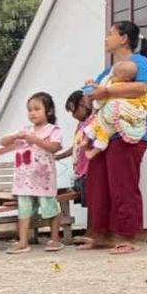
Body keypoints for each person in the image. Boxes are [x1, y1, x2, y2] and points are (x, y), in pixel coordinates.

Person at [85, 21, 147, 255]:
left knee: (122, 184)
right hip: (105, 130)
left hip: (129, 131)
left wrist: (106, 91)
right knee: (97, 183)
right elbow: (93, 97)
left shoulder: (140, 62)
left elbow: (143, 87)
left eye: (110, 34)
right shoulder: (107, 72)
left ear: (123, 38)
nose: (106, 38)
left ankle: (127, 235)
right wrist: (90, 94)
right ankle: (101, 234)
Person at [0, 92, 63, 254]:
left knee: (49, 208)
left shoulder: (53, 130)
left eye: (37, 109)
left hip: (43, 178)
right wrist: (16, 135)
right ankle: (22, 241)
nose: (32, 113)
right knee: (24, 210)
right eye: (29, 110)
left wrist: (35, 140)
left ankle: (55, 239)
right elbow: (3, 142)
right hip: (24, 180)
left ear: (48, 111)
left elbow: (54, 148)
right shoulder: (24, 130)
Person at [83, 59, 147, 157]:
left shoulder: (113, 87)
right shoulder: (133, 89)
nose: (112, 76)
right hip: (123, 119)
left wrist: (97, 97)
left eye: (115, 75)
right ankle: (92, 150)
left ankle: (87, 142)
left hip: (112, 116)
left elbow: (100, 100)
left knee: (98, 127)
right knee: (103, 132)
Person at [56, 90, 96, 249]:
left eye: (74, 110)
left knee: (94, 202)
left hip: (91, 169)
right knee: (89, 203)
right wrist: (59, 156)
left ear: (83, 105)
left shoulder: (94, 122)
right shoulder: (81, 125)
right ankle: (90, 232)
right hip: (80, 170)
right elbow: (76, 147)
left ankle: (92, 232)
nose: (73, 115)